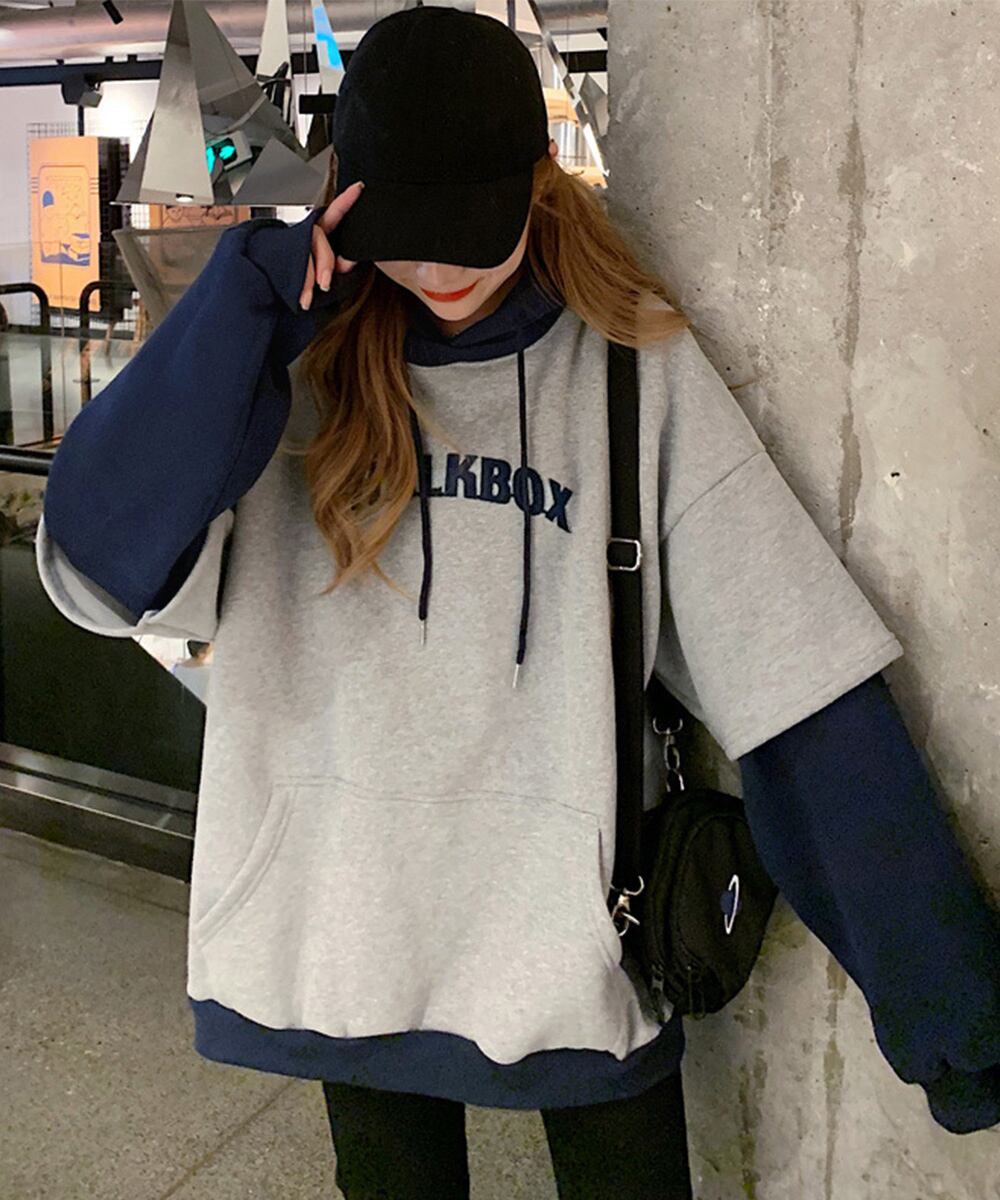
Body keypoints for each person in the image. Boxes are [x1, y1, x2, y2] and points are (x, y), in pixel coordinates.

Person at [34, 6, 1000, 1198]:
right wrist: (237, 316)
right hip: (343, 937)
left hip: (568, 952)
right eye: (404, 232)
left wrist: (949, 1008)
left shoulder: (630, 370)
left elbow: (797, 680)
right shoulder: (281, 375)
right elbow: (92, 574)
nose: (438, 269)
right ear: (342, 196)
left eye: (468, 232)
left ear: (538, 187)